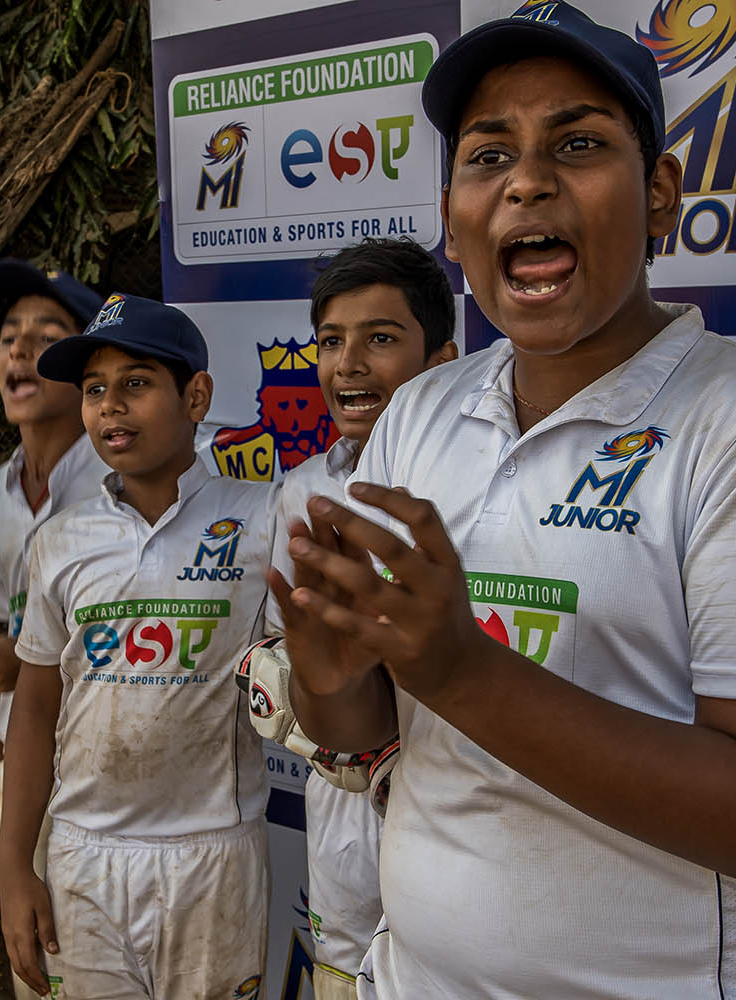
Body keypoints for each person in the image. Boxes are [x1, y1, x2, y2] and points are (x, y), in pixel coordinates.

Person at [273, 5, 736, 997]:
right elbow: (359, 729)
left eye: (579, 143)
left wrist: (460, 668)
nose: (526, 180)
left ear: (662, 194)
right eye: (486, 154)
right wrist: (326, 674)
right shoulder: (420, 412)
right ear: (455, 216)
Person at [0, 293, 274, 999]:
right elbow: (33, 711)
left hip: (212, 852)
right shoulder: (59, 542)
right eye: (94, 390)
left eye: (136, 384)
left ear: (196, 396)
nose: (110, 406)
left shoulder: (262, 520)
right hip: (83, 855)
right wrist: (14, 870)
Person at [259, 239, 455, 1000]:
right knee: (344, 966)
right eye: (331, 341)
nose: (348, 363)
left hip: (452, 792)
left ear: (441, 359)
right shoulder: (300, 491)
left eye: (380, 338)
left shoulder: (472, 487)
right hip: (340, 801)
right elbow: (286, 647)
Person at [0, 260, 106, 1000]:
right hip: (28, 760)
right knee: (39, 963)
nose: (18, 350)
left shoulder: (120, 485)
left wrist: (29, 665)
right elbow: (7, 640)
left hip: (112, 767)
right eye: (9, 337)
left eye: (46, 337)